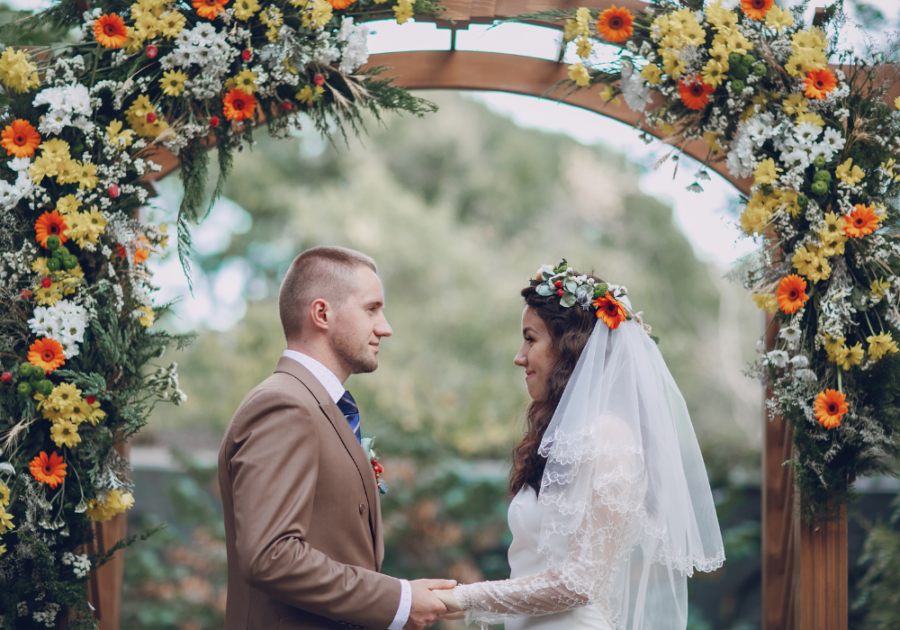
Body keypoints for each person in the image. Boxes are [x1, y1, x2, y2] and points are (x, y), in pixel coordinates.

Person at [435, 261, 725, 630]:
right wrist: (458, 603)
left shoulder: (608, 437)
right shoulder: (565, 437)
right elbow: (538, 572)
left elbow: (579, 583)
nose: (519, 356)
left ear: (570, 348)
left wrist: (462, 598)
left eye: (530, 338)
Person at [217, 246, 456, 630]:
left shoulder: (318, 405)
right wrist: (398, 600)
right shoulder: (284, 406)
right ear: (322, 314)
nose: (385, 327)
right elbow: (270, 556)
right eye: (371, 309)